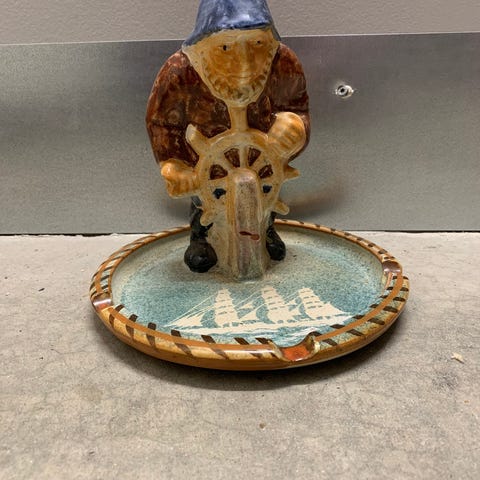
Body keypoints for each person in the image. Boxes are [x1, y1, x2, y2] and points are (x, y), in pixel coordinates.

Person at [146, 0, 310, 273]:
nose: (244, 63)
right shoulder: (179, 73)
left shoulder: (283, 62)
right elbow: (162, 124)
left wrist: (294, 126)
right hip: (207, 173)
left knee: (264, 199)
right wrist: (173, 165)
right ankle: (202, 239)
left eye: (257, 44)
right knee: (203, 201)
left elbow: (296, 106)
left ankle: (266, 230)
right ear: (202, 45)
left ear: (270, 41)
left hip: (263, 167)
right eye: (225, 47)